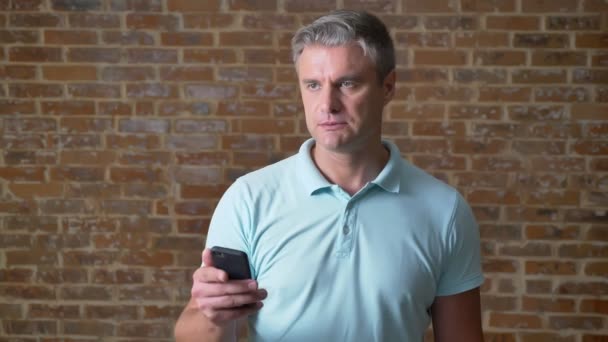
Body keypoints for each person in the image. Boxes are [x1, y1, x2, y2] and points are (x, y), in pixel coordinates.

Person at [175, 10, 484, 342]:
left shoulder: (444, 210)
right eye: (312, 85)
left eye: (347, 83)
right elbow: (195, 333)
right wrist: (214, 317)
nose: (327, 104)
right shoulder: (248, 198)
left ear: (388, 87)